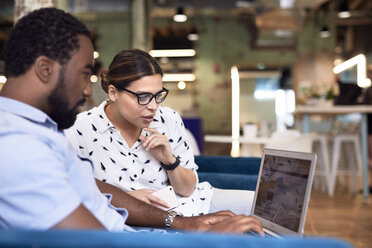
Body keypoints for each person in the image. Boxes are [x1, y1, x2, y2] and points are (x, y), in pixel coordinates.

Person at [0, 7, 263, 235]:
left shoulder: (40, 131)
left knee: (264, 216)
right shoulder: (21, 146)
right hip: (140, 235)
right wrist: (200, 239)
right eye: (83, 75)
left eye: (157, 96)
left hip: (166, 220)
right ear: (45, 69)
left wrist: (180, 222)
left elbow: (95, 188)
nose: (88, 90)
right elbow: (99, 241)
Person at [64, 49, 255, 217]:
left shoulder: (168, 120)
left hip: (192, 203)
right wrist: (124, 199)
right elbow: (67, 192)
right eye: (143, 97)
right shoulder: (80, 130)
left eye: (158, 95)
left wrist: (170, 160)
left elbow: (188, 189)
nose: (153, 106)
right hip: (134, 218)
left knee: (262, 206)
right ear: (113, 93)